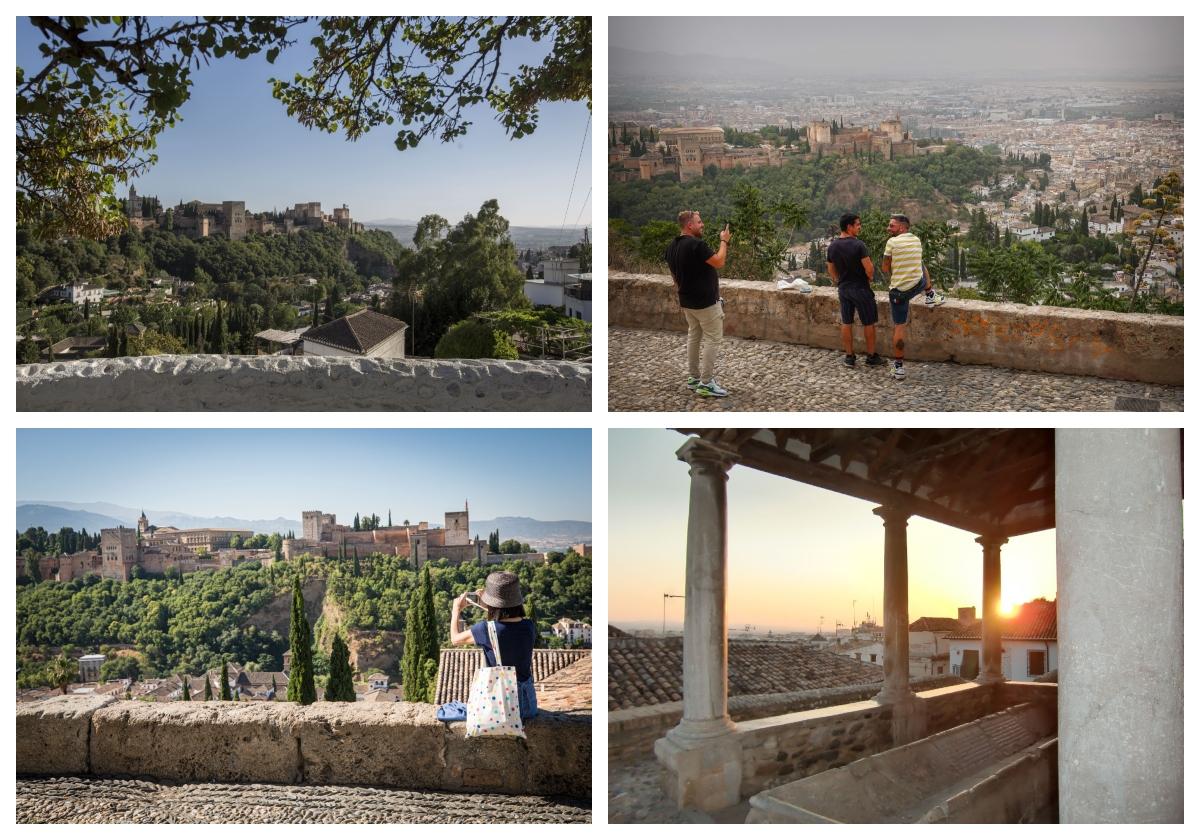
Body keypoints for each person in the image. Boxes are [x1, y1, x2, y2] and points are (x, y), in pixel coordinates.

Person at [449, 570, 538, 719]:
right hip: (527, 707)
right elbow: (506, 621)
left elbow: (455, 639)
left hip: (500, 707)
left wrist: (456, 611)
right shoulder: (529, 626)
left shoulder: (484, 630)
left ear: (493, 604)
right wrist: (489, 605)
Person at [665, 210, 732, 397]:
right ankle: (706, 383)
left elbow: (674, 275)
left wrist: (683, 290)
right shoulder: (697, 244)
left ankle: (694, 378)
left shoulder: (671, 246)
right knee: (713, 339)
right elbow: (719, 262)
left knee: (694, 337)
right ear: (689, 225)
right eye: (699, 222)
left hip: (687, 302)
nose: (702, 225)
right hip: (705, 303)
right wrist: (724, 241)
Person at [881, 214, 945, 381]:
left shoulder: (891, 243)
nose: (888, 229)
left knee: (899, 328)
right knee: (921, 264)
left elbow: (885, 268)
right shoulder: (916, 239)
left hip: (898, 293)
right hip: (917, 286)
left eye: (891, 226)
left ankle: (899, 367)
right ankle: (930, 294)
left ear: (902, 228)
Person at [826, 213, 884, 368]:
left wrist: (838, 281)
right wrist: (869, 278)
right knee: (868, 323)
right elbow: (869, 268)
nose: (860, 227)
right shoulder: (859, 245)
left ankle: (849, 357)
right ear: (849, 227)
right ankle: (871, 356)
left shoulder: (832, 246)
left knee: (846, 322)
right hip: (860, 288)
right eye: (857, 224)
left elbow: (831, 270)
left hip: (844, 289)